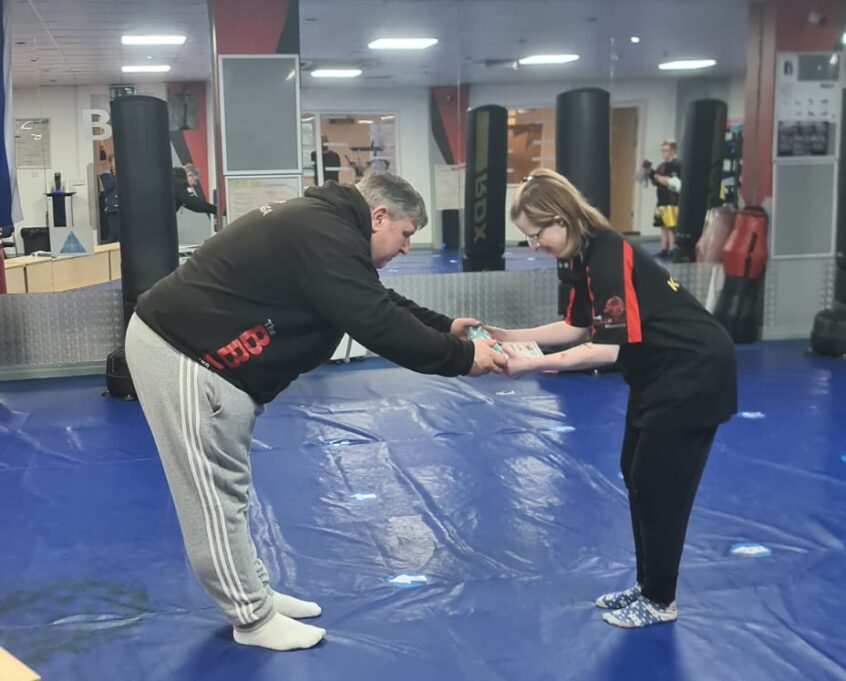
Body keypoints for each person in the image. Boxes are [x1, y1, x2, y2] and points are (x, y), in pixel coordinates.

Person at [124, 172, 507, 651]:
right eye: (406, 234)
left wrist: (446, 327)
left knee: (231, 488)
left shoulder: (330, 229)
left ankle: (254, 591)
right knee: (211, 495)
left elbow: (375, 299)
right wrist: (465, 359)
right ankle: (252, 618)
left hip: (213, 361)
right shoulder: (323, 233)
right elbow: (375, 323)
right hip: (182, 352)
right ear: (379, 216)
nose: (408, 247)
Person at [488, 169, 736, 629]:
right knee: (636, 476)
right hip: (656, 373)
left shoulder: (605, 252)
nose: (534, 246)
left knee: (661, 488)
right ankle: (647, 586)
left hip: (692, 372)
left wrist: (532, 364)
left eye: (535, 234)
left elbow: (606, 347)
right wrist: (510, 336)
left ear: (559, 217)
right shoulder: (576, 256)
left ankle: (661, 600)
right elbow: (576, 326)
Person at [643, 139, 681, 258]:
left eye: (666, 150)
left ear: (672, 151)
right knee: (663, 226)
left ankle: (672, 250)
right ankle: (664, 249)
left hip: (672, 201)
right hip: (661, 200)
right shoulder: (661, 166)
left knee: (671, 227)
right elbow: (656, 181)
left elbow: (670, 182)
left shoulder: (677, 164)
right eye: (662, 151)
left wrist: (656, 175)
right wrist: (649, 171)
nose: (663, 153)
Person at [98, 156, 120, 243]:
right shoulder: (107, 176)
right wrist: (105, 173)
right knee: (114, 233)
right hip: (112, 208)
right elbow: (109, 186)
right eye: (114, 162)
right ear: (111, 164)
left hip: (123, 208)